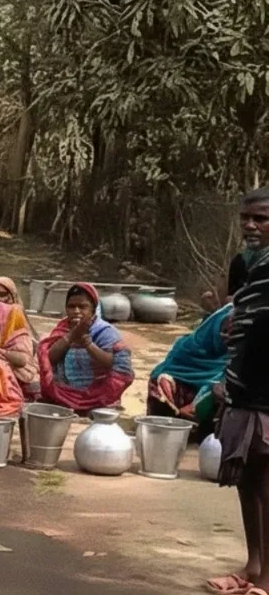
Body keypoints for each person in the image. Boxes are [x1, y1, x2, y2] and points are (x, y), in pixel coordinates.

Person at [208, 188, 269, 595]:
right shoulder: (247, 264)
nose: (250, 225)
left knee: (265, 478)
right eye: (245, 217)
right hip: (243, 379)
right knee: (247, 479)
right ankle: (253, 565)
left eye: (260, 219)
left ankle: (266, 579)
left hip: (265, 384)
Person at [36, 283, 134, 413]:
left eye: (82, 307)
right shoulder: (62, 329)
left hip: (97, 396)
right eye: (71, 307)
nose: (76, 311)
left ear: (93, 309)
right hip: (63, 394)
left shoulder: (104, 331)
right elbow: (49, 359)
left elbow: (111, 363)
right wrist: (71, 336)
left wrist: (88, 344)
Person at [148, 304, 231, 431]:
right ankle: (166, 426)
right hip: (186, 396)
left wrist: (198, 404)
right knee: (161, 380)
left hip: (213, 405)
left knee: (224, 391)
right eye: (224, 331)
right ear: (213, 328)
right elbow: (170, 368)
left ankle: (208, 434)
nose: (228, 337)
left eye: (235, 332)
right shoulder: (192, 345)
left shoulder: (240, 353)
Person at [0, 276, 40, 398]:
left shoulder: (16, 316)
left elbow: (23, 359)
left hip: (16, 368)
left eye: (2, 294)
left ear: (12, 297)